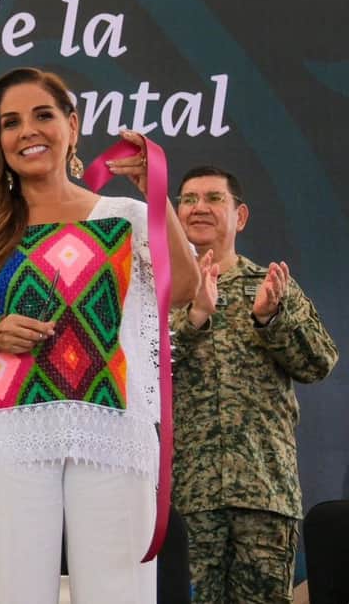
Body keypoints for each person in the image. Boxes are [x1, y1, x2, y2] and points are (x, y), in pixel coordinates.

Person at [0, 67, 199, 604]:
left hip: (111, 427)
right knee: (13, 593)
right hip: (7, 429)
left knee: (119, 593)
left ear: (72, 127)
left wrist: (155, 191)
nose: (27, 131)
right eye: (10, 122)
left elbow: (185, 288)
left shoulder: (124, 217)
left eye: (43, 115)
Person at [170, 165, 337, 604]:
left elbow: (319, 362)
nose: (198, 208)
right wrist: (193, 319)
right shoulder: (156, 293)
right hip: (187, 497)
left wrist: (271, 318)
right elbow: (138, 375)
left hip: (264, 492)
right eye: (188, 199)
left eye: (213, 198)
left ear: (239, 216)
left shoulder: (272, 286)